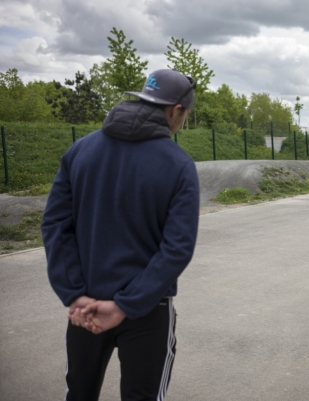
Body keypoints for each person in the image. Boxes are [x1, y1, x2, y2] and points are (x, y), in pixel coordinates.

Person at [42, 69, 200, 401]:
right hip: (147, 309)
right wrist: (126, 305)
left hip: (85, 309)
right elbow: (177, 248)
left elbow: (55, 225)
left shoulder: (81, 151)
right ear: (177, 109)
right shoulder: (178, 165)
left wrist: (75, 294)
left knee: (79, 394)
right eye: (184, 116)